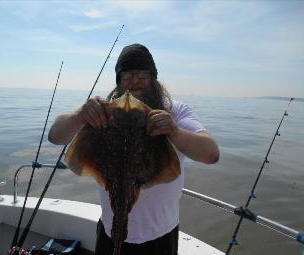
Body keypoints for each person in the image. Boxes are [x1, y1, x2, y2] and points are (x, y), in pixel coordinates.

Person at [48, 43, 219, 255]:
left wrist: (174, 132)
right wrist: (81, 115)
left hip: (161, 236)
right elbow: (55, 136)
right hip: (109, 231)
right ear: (119, 80)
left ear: (154, 78)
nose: (135, 81)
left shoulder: (175, 112)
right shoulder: (102, 113)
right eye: (127, 75)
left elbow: (211, 154)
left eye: (142, 74)